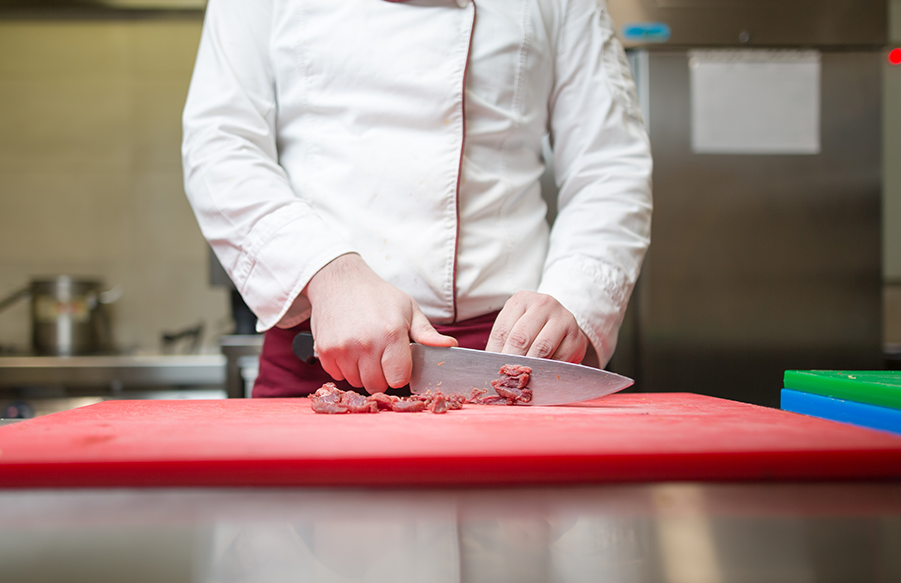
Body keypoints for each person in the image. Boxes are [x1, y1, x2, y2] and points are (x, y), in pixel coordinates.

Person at [183, 0, 652, 398]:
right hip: (317, 359)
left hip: (503, 360)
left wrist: (575, 295)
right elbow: (221, 145)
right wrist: (327, 273)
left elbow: (609, 164)